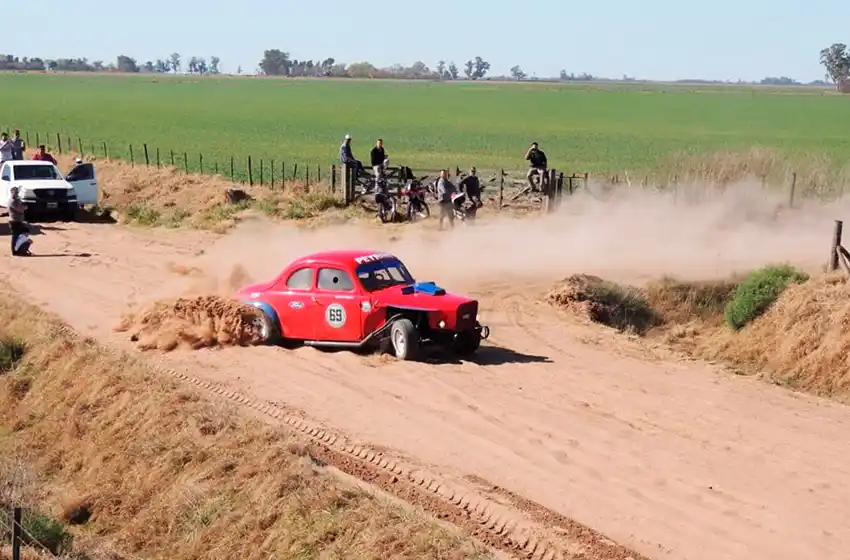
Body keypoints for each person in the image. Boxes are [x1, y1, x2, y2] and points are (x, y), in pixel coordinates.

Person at [7, 187, 32, 257]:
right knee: (16, 236)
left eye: (17, 192)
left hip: (18, 221)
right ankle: (15, 251)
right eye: (15, 192)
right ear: (12, 192)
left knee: (23, 234)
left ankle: (18, 249)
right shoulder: (13, 201)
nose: (16, 194)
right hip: (14, 222)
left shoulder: (17, 200)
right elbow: (21, 209)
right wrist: (24, 206)